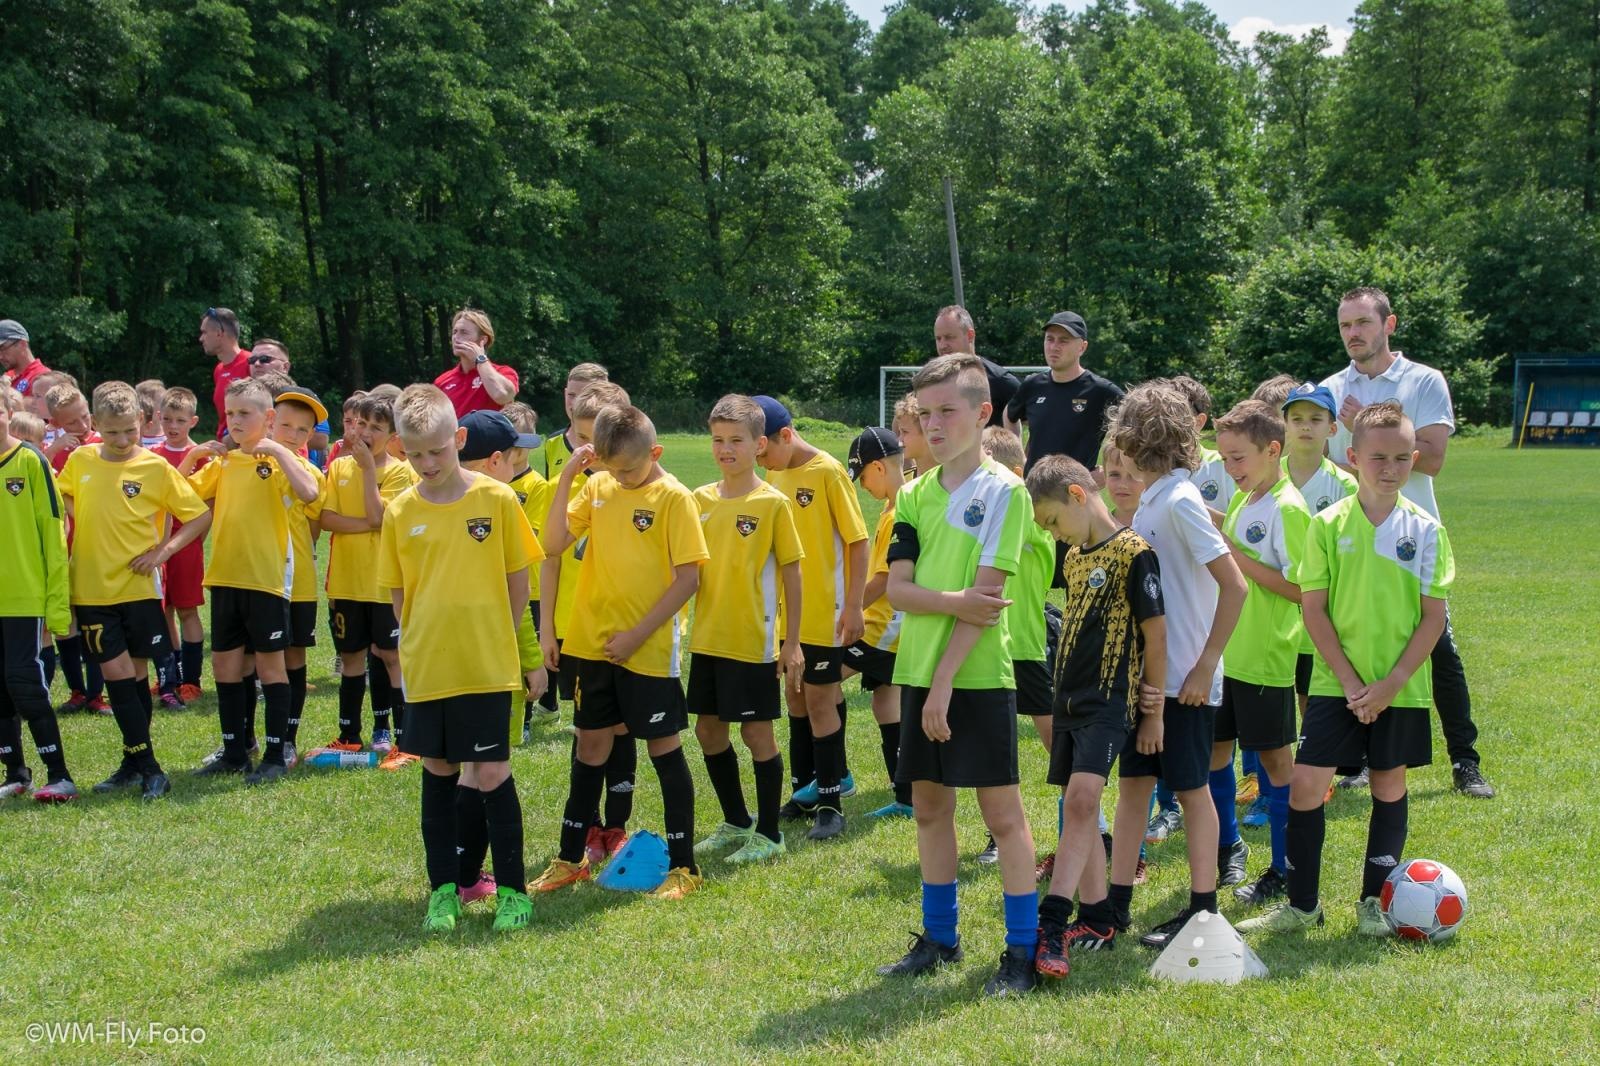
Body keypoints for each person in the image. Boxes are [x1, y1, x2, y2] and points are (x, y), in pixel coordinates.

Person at [1240, 402, 1452, 937]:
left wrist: (1391, 683)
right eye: (1378, 457)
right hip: (1339, 683)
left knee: (1387, 785)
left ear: (1414, 459)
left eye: (1403, 458)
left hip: (1400, 689)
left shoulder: (1425, 530)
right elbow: (1313, 608)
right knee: (1308, 786)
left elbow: (1433, 619)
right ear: (1353, 457)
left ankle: (1372, 904)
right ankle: (1303, 904)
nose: (1390, 468)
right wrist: (1355, 683)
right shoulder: (1328, 526)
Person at [875, 354, 1038, 997]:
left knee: (1002, 816)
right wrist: (951, 605)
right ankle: (939, 939)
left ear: (983, 413)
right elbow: (899, 590)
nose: (935, 424)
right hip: (917, 671)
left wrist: (944, 681)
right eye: (925, 413)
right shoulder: (912, 493)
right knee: (929, 809)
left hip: (975, 679)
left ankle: (1021, 952)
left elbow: (988, 599)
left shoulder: (1007, 492)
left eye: (948, 411)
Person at [1319, 287, 1492, 800]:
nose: (1353, 333)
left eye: (1363, 323)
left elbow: (1433, 457)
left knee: (1439, 649)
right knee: (1351, 646)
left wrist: (1363, 430)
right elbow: (1329, 464)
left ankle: (1466, 760)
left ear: (1388, 324)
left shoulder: (1423, 381)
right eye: (1345, 325)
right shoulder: (1331, 387)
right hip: (1351, 537)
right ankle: (1356, 760)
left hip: (1412, 537)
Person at [378, 384, 540, 933]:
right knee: (439, 771)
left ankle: (514, 893)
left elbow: (519, 576)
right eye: (415, 453)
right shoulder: (400, 511)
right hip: (429, 666)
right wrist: (417, 637)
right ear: (402, 448)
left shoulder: (496, 500)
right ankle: (443, 890)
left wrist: (497, 630)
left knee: (492, 771)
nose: (427, 463)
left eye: (438, 451)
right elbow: (400, 592)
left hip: (486, 663)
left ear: (460, 439)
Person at [533, 403, 709, 900]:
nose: (622, 477)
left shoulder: (674, 498)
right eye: (612, 469)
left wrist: (636, 635)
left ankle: (684, 867)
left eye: (630, 468)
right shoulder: (597, 486)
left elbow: (690, 577)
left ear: (655, 453)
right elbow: (551, 544)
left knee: (663, 749)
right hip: (590, 644)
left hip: (647, 650)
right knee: (590, 746)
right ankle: (569, 859)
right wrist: (569, 474)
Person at [1104, 380, 1246, 950]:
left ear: (1141, 436)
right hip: (1149, 679)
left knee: (1192, 792)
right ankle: (1115, 904)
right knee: (1134, 787)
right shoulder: (1156, 496)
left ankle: (1202, 910)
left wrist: (1204, 666)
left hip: (1184, 680)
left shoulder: (1181, 499)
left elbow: (1233, 587)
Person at [1027, 455, 1165, 971]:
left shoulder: (1134, 553)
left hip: (1110, 699)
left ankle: (1052, 924)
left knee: (1085, 800)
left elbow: (1156, 634)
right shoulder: (1075, 559)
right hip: (1067, 699)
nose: (1055, 534)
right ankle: (1099, 913)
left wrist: (1154, 711)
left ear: (1078, 496)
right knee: (1074, 803)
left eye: (1053, 521)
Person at [60, 382, 211, 801]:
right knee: (117, 675)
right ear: (95, 425)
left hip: (141, 589)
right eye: (112, 433)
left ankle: (131, 763)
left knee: (138, 675)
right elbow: (63, 496)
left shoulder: (155, 468)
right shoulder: (80, 459)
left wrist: (163, 551)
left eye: (130, 430)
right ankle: (151, 768)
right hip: (91, 590)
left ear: (143, 422)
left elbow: (198, 517)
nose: (123, 440)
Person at [688, 394, 805, 864]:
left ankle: (770, 834)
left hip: (752, 641)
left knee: (757, 735)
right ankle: (737, 821)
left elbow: (794, 574)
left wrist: (791, 642)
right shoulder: (699, 500)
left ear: (759, 445)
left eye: (736, 440)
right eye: (718, 440)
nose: (725, 449)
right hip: (708, 637)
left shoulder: (773, 503)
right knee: (708, 732)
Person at [186, 378, 321, 777]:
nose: (235, 421)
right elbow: (181, 496)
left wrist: (278, 449)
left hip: (266, 581)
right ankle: (234, 753)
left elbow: (311, 491)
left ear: (268, 417)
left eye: (244, 413)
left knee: (270, 669)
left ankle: (276, 755)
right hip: (225, 578)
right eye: (230, 413)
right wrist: (192, 456)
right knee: (226, 669)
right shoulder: (225, 463)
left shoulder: (280, 461)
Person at [1208, 400, 1312, 908]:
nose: (1231, 470)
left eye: (1239, 459)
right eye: (1225, 459)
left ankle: (1285, 867)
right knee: (1214, 752)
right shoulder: (1249, 498)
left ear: (1273, 450)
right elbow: (1235, 543)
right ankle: (1228, 847)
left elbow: (1300, 588)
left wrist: (1235, 556)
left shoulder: (1289, 507)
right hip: (1229, 655)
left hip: (1266, 658)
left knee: (1275, 763)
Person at [755, 395, 868, 840]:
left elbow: (857, 541)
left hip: (828, 610)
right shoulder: (773, 471)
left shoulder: (827, 472)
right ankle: (805, 790)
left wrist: (856, 604)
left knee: (821, 700)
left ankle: (830, 802)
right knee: (796, 696)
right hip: (787, 613)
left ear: (786, 435)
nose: (761, 458)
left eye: (763, 448)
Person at [451, 409, 550, 910]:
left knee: (470, 767)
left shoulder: (438, 503)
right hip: (493, 662)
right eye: (515, 456)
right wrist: (531, 661)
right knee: (491, 768)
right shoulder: (502, 502)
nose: (519, 465)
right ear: (495, 461)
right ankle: (492, 882)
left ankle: (464, 877)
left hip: (446, 659)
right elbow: (521, 601)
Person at [538, 380, 639, 860]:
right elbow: (550, 555)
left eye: (593, 441)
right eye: (579, 439)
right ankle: (589, 825)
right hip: (574, 627)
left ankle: (615, 825)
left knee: (622, 729)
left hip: (625, 628)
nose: (586, 450)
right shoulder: (572, 486)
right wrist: (546, 628)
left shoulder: (630, 481)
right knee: (587, 730)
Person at [319, 393, 418, 760]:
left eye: (376, 427)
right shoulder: (338, 467)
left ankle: (404, 739)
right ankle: (349, 735)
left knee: (392, 657)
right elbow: (326, 519)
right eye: (360, 424)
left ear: (392, 435)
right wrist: (365, 524)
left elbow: (382, 519)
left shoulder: (399, 471)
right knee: (351, 658)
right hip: (346, 582)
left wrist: (366, 472)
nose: (365, 432)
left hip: (382, 586)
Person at [979, 425, 1056, 869]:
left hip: (1025, 643)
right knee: (996, 745)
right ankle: (998, 833)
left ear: (1013, 472)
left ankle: (1091, 818)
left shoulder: (1022, 504)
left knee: (1054, 740)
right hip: (994, 644)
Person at [0, 393, 77, 802]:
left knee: (25, 683)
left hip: (22, 597)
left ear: (8, 414)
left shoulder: (30, 462)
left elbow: (54, 531)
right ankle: (16, 772)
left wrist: (56, 602)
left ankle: (60, 774)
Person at [260, 384, 329, 778]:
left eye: (302, 431)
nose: (292, 434)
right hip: (255, 579)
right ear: (270, 421)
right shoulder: (248, 460)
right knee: (257, 661)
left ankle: (287, 737)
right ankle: (246, 739)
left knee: (294, 657)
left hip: (296, 580)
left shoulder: (310, 471)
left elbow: (316, 523)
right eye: (285, 425)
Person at [846, 427, 912, 821]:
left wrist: (849, 607)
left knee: (820, 679)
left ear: (877, 467)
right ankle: (905, 795)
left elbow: (886, 579)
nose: (863, 486)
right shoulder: (893, 506)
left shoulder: (900, 507)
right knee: (884, 700)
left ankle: (832, 774)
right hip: (887, 625)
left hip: (885, 628)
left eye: (864, 477)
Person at [1004, 312, 1124, 477]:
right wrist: (1018, 456)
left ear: (1082, 347)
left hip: (1077, 495)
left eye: (1063, 341)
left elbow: (1135, 431)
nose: (1054, 347)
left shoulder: (1101, 391)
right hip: (1034, 491)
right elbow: (1010, 414)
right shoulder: (1033, 385)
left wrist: (1109, 473)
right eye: (1049, 339)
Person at [151, 388, 211, 706]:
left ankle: (192, 680)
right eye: (168, 419)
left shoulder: (202, 457)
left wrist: (196, 540)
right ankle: (168, 676)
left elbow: (209, 502)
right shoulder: (151, 456)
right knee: (164, 612)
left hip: (186, 543)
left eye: (180, 420)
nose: (173, 426)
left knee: (188, 610)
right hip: (156, 545)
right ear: (158, 418)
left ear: (193, 421)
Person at [500, 402, 555, 731]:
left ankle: (528, 714)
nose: (519, 450)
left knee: (528, 650)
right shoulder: (493, 481)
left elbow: (530, 536)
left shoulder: (537, 486)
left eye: (525, 441)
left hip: (530, 584)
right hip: (498, 582)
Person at [932, 306, 1021, 430]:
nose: (942, 345)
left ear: (970, 335)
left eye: (949, 337)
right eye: (938, 338)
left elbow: (1036, 421)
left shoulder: (999, 380)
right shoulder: (929, 382)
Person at [249, 341, 330, 463]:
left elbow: (322, 439)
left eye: (265, 359)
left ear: (285, 367)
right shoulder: (245, 400)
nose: (257, 363)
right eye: (252, 359)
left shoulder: (303, 399)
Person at [433, 308, 519, 417]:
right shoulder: (442, 381)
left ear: (483, 340)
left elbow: (502, 395)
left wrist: (480, 359)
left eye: (464, 332)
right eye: (455, 332)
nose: (456, 337)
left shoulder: (504, 372)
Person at [1171, 375, 1230, 517]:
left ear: (1199, 421)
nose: (1169, 423)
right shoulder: (1150, 467)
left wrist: (1185, 508)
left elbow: (1239, 526)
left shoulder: (1223, 465)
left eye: (1178, 415)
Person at [198, 307, 251, 441]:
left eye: (204, 332)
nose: (201, 338)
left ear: (219, 333)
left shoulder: (251, 364)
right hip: (225, 445)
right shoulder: (219, 369)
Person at [0, 320, 51, 399]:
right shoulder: (7, 377)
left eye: (3, 349)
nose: (0, 356)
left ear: (22, 344)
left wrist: (6, 392)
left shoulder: (43, 378)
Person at [891, 394, 932, 478]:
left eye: (905, 432)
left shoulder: (953, 480)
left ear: (926, 432)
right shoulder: (905, 483)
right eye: (900, 432)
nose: (899, 440)